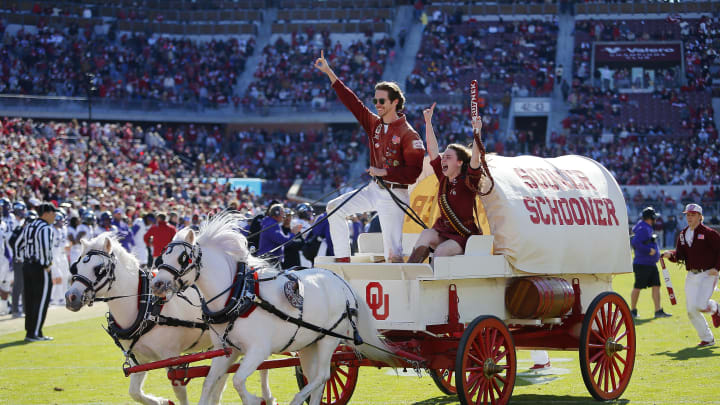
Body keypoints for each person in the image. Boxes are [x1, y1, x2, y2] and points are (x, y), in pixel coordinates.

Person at [314, 50, 425, 262]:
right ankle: (343, 261)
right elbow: (352, 102)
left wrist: (384, 171)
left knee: (393, 254)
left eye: (382, 100)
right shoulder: (374, 123)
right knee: (333, 209)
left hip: (395, 195)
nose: (377, 104)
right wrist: (329, 72)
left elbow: (413, 173)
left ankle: (400, 291)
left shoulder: (409, 134)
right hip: (375, 189)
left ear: (395, 102)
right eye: (375, 100)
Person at [407, 103, 487, 263]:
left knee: (442, 252)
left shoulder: (468, 181)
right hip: (443, 231)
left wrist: (477, 132)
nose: (443, 159)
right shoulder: (443, 178)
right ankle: (411, 274)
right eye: (444, 157)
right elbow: (433, 150)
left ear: (459, 163)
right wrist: (428, 123)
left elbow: (475, 159)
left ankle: (431, 284)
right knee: (426, 234)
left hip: (463, 235)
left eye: (448, 157)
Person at [662, 203, 720, 347]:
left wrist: (717, 268)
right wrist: (671, 255)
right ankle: (707, 339)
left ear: (700, 217)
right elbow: (680, 255)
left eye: (693, 215)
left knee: (700, 305)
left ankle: (716, 308)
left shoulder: (709, 233)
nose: (689, 217)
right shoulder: (682, 234)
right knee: (691, 310)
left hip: (708, 274)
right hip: (691, 276)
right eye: (687, 214)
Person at [16, 203, 57, 342]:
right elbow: (46, 248)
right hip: (40, 267)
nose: (55, 216)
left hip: (27, 265)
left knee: (30, 299)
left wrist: (21, 258)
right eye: (53, 213)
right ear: (46, 213)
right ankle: (35, 332)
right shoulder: (46, 228)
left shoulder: (29, 226)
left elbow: (17, 244)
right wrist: (46, 264)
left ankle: (30, 331)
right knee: (41, 300)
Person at [629, 207, 671, 319]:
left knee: (656, 286)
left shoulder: (645, 227)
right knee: (638, 287)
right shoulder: (643, 228)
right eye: (654, 217)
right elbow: (635, 242)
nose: (655, 219)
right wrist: (649, 250)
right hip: (643, 264)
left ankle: (658, 311)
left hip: (650, 264)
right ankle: (632, 311)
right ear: (650, 218)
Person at [50, 211, 70, 306]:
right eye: (60, 221)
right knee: (57, 277)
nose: (62, 223)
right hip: (53, 255)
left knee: (64, 276)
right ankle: (54, 298)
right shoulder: (51, 229)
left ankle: (60, 297)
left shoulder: (61, 229)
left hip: (61, 254)